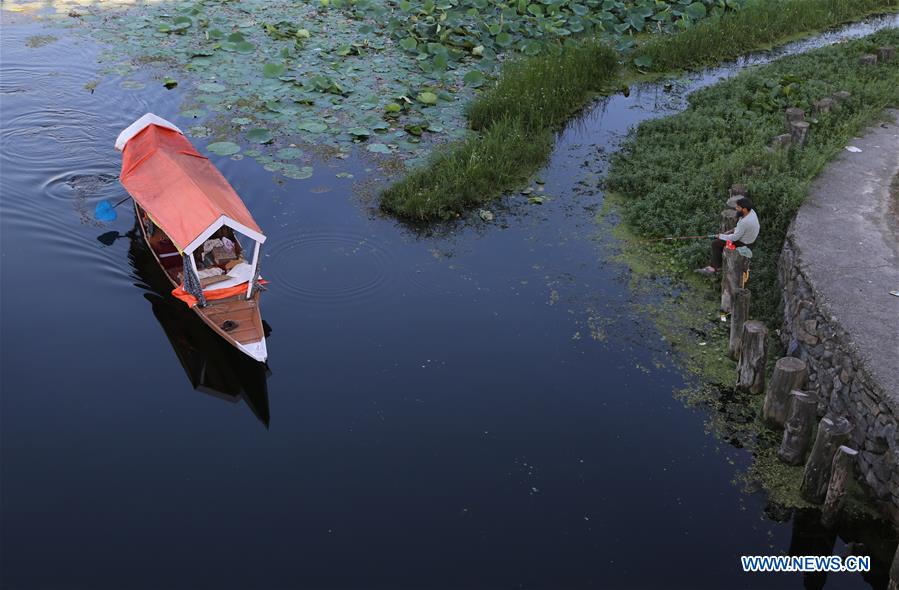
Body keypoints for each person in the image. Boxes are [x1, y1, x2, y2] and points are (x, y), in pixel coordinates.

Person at [696, 197, 759, 275]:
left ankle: (714, 267)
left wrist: (720, 236)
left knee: (716, 244)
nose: (736, 208)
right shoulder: (751, 212)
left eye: (738, 207)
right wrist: (732, 230)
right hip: (750, 238)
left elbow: (735, 237)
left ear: (744, 209)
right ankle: (720, 260)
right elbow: (742, 228)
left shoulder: (745, 222)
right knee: (724, 237)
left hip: (744, 242)